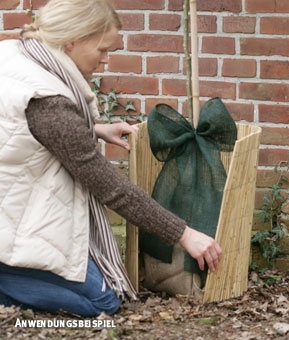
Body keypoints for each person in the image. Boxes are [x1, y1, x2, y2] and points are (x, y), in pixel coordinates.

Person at [0, 0, 222, 317]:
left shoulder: (18, 53)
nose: (106, 60)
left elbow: (27, 130)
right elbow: (111, 188)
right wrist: (185, 235)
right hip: (10, 218)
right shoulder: (50, 102)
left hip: (10, 203)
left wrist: (95, 129)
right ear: (71, 42)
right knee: (101, 303)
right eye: (102, 50)